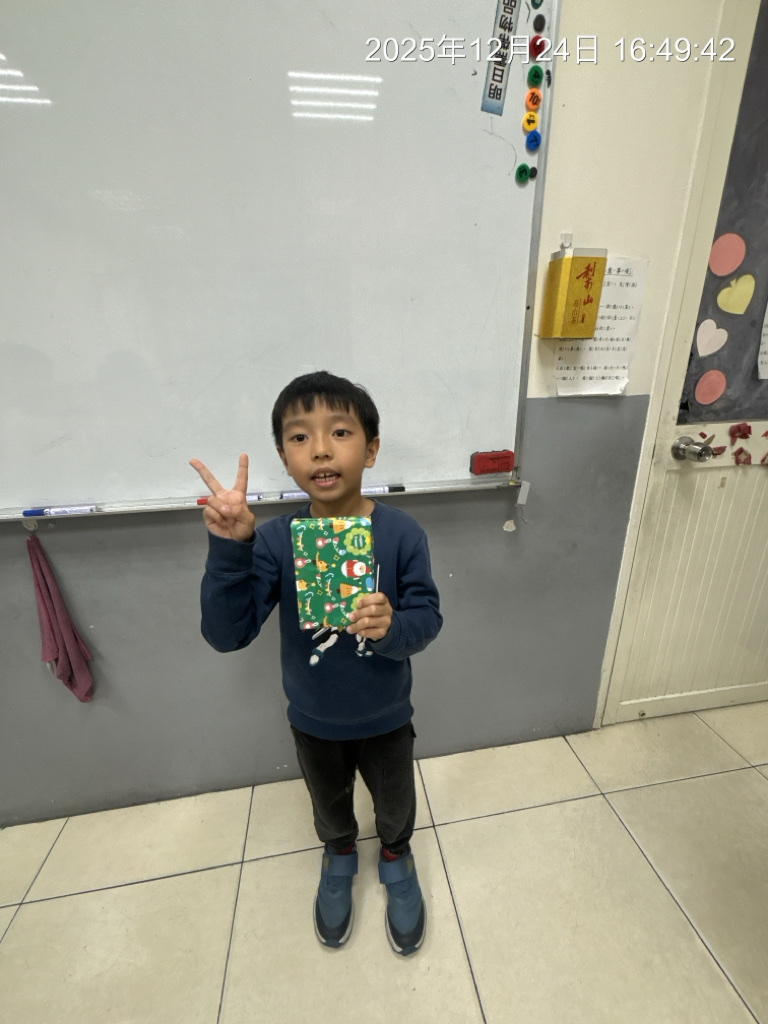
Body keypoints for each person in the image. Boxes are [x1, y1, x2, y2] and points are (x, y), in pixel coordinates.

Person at [190, 371, 442, 956]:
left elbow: (428, 619)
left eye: (340, 432)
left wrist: (392, 628)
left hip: (387, 716)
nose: (321, 449)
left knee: (396, 802)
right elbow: (227, 634)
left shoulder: (402, 534)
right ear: (285, 457)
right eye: (300, 437)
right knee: (328, 804)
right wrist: (231, 549)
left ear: (371, 449)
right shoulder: (276, 540)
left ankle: (397, 856)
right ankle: (340, 854)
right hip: (313, 717)